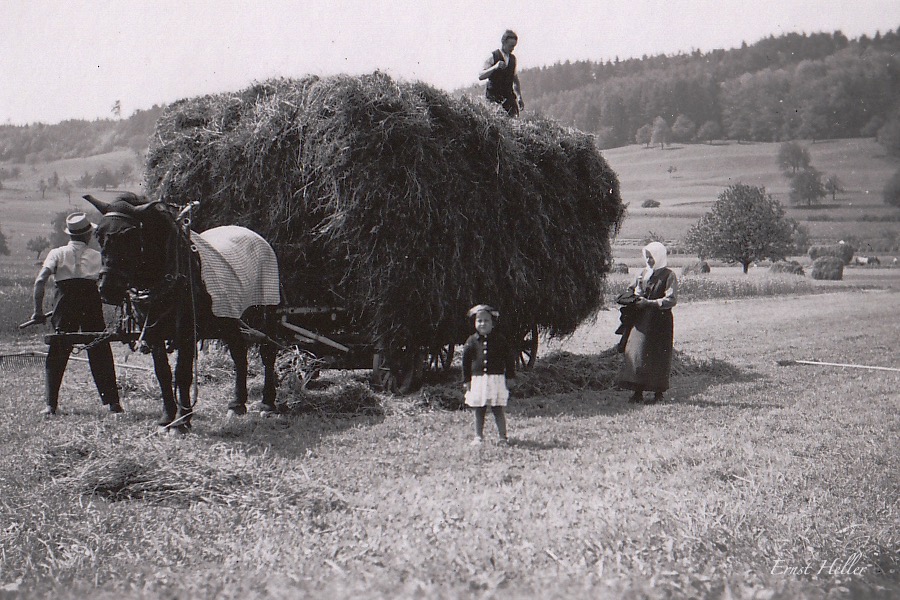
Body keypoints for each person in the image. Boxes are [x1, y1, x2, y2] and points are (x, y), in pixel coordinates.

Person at [30, 212, 122, 416]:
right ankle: (113, 404)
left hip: (64, 305)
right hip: (90, 304)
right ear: (89, 235)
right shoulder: (98, 257)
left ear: (69, 234)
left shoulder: (56, 253)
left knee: (57, 352)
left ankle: (50, 406)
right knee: (99, 348)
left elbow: (40, 282)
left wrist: (38, 311)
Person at [615, 242, 678, 404]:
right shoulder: (642, 273)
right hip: (642, 319)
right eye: (647, 257)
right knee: (637, 353)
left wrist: (649, 303)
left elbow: (671, 299)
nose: (649, 260)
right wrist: (632, 297)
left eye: (652, 257)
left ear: (660, 257)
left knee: (658, 355)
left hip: (660, 321)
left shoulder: (669, 275)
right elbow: (632, 289)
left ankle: (658, 393)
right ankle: (637, 392)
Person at [462, 304, 516, 445]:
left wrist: (510, 376)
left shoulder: (500, 340)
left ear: (492, 324)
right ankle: (478, 436)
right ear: (474, 323)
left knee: (497, 408)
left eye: (486, 321)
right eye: (479, 321)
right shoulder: (471, 341)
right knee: (479, 408)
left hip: (495, 380)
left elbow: (509, 359)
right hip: (478, 381)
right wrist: (466, 380)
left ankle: (502, 437)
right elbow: (465, 362)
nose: (482, 324)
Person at [479, 29, 524, 117]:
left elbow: (515, 79)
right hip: (493, 98)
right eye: (511, 46)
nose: (512, 49)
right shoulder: (493, 56)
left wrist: (519, 96)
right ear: (504, 43)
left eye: (514, 46)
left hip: (508, 97)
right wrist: (495, 67)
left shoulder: (513, 59)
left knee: (513, 122)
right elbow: (480, 76)